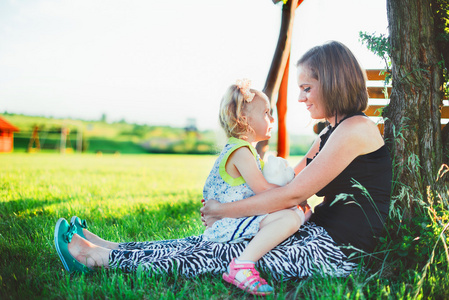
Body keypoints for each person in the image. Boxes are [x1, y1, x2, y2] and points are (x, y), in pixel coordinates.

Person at [53, 41, 391, 296]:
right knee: (207, 245)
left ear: (331, 82)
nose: (301, 98)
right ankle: (108, 248)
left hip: (337, 248)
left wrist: (224, 210)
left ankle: (96, 259)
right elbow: (292, 179)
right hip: (315, 232)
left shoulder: (355, 129)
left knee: (221, 255)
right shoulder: (330, 132)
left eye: (306, 88)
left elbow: (296, 193)